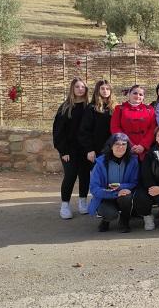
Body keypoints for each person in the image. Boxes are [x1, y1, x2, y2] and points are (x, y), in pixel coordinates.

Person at [53, 77, 90, 219]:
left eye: (83, 87)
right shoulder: (65, 107)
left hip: (85, 149)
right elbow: (58, 131)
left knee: (85, 176)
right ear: (72, 89)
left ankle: (83, 202)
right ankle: (65, 205)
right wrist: (63, 151)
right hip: (69, 150)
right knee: (70, 175)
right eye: (77, 87)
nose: (80, 89)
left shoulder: (89, 107)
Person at [87, 133, 139, 233]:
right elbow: (94, 188)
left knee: (126, 196)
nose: (121, 147)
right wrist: (114, 193)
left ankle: (124, 220)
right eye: (117, 144)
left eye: (124, 144)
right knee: (110, 213)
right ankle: (106, 220)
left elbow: (135, 182)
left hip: (123, 196)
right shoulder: (100, 163)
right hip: (105, 196)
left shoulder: (133, 161)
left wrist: (122, 187)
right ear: (111, 146)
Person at [110, 85, 156, 161]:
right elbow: (115, 127)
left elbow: (153, 128)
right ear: (129, 94)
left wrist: (143, 145)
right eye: (135, 93)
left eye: (141, 94)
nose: (138, 96)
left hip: (145, 149)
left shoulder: (149, 109)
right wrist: (129, 144)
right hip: (125, 147)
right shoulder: (119, 109)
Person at [79, 79, 116, 162]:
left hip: (113, 148)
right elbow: (84, 131)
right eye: (102, 88)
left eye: (107, 89)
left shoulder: (115, 108)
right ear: (98, 90)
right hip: (97, 149)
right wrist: (89, 149)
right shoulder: (92, 108)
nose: (105, 91)